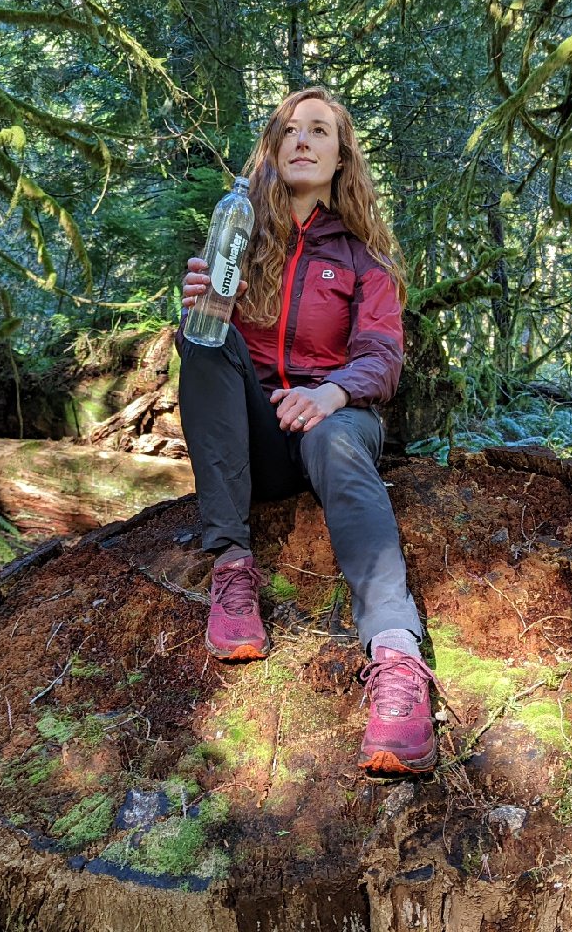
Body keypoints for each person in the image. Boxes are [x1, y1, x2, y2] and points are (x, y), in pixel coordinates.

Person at [177, 86, 436, 774]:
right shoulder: (243, 236)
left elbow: (382, 358)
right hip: (262, 436)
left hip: (335, 424)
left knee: (334, 436)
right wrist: (207, 309)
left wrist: (329, 392)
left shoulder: (362, 259)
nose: (301, 140)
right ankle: (232, 570)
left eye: (319, 130)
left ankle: (398, 660)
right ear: (272, 149)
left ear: (340, 155)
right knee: (200, 339)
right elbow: (218, 354)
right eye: (289, 130)